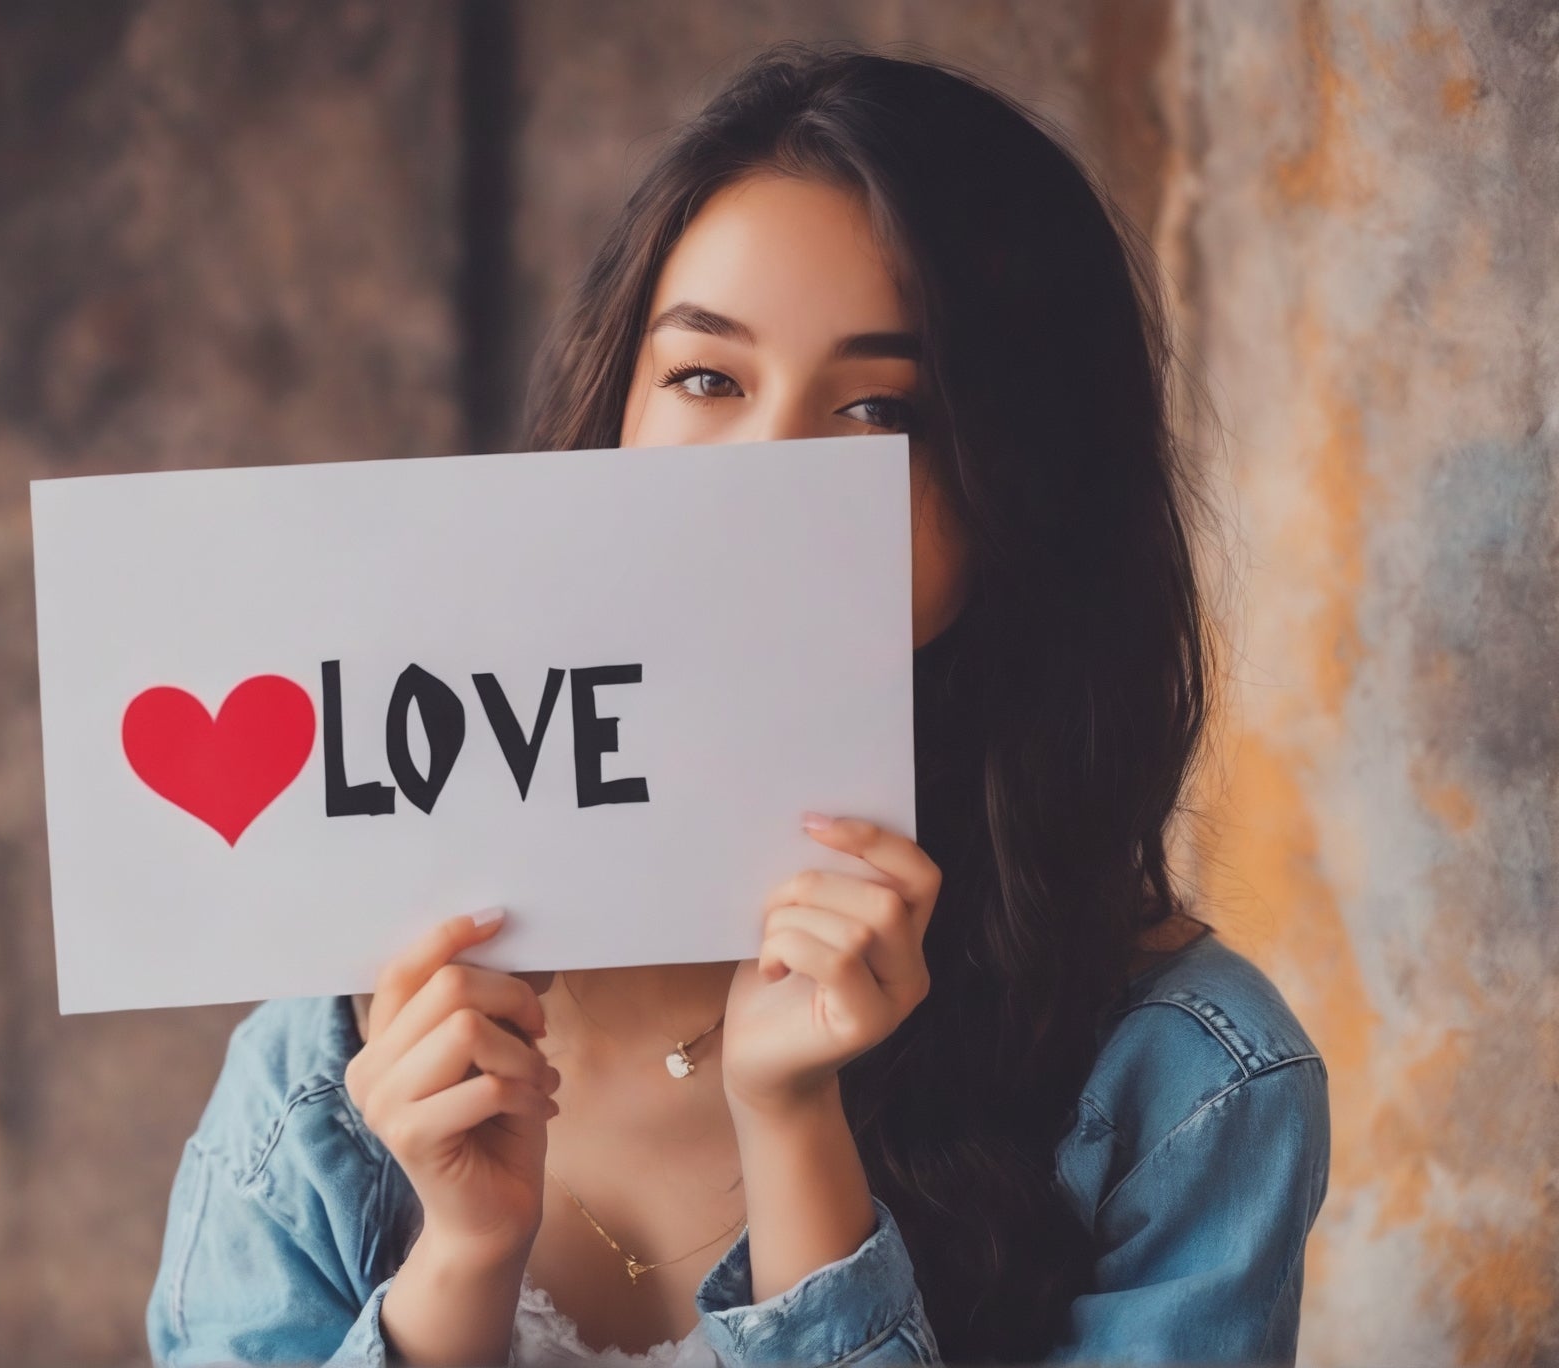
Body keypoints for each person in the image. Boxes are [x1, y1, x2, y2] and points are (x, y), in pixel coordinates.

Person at [147, 40, 1330, 1367]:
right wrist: (458, 1269)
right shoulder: (331, 1053)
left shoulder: (1191, 1084)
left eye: (882, 410)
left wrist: (796, 1138)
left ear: (1028, 494)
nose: (766, 478)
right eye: (708, 378)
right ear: (615, 417)